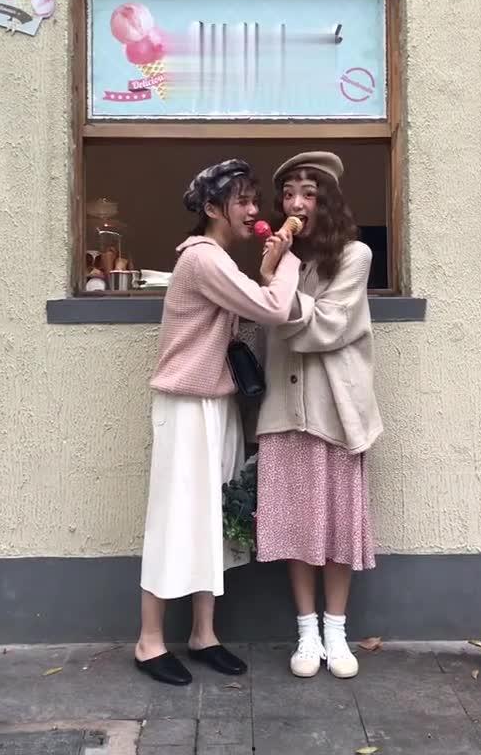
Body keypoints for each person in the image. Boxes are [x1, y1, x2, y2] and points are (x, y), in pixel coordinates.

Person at [135, 158, 300, 686]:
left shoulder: (219, 261)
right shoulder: (203, 259)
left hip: (216, 402)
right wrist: (286, 262)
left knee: (213, 515)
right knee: (175, 517)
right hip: (187, 405)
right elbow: (273, 308)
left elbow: (254, 306)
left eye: (255, 200)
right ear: (211, 208)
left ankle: (203, 635)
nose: (253, 211)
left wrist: (268, 273)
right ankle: (149, 640)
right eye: (242, 201)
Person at [256, 151, 383, 679]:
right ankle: (306, 631)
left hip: (336, 411)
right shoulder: (285, 260)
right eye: (288, 194)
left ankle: (337, 630)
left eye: (307, 194)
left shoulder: (354, 255)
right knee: (295, 526)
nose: (296, 204)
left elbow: (327, 326)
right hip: (284, 411)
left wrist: (273, 289)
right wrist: (274, 271)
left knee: (336, 527)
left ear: (326, 202)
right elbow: (265, 319)